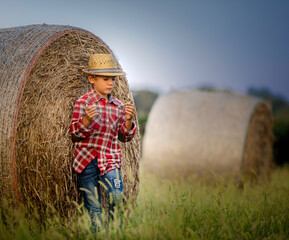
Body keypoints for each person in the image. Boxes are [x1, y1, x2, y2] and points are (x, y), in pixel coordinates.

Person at [69, 53, 137, 230]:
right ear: (92, 78)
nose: (110, 83)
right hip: (86, 161)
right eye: (106, 79)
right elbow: (74, 134)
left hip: (110, 159)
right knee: (94, 208)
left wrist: (128, 120)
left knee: (117, 197)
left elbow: (125, 136)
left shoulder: (119, 106)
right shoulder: (83, 103)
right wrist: (85, 121)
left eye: (113, 79)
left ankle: (116, 232)